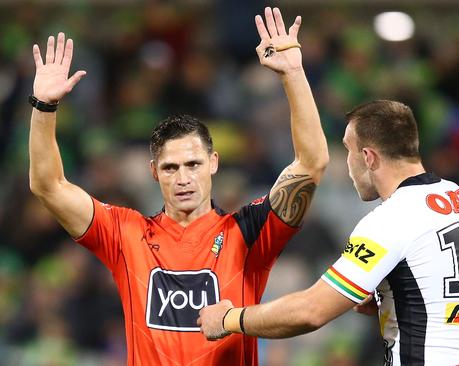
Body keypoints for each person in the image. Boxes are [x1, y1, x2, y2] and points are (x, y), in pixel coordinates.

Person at [28, 7, 328, 366]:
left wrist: (293, 74)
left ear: (213, 164)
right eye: (170, 167)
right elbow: (48, 185)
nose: (183, 178)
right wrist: (44, 106)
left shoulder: (247, 233)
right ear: (154, 172)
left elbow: (311, 164)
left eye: (193, 165)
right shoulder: (126, 235)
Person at [198, 100, 459, 366]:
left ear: (369, 157)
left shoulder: (392, 218)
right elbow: (438, 292)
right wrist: (386, 297)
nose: (348, 166)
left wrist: (228, 318)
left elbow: (311, 311)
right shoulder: (455, 196)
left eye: (349, 151)